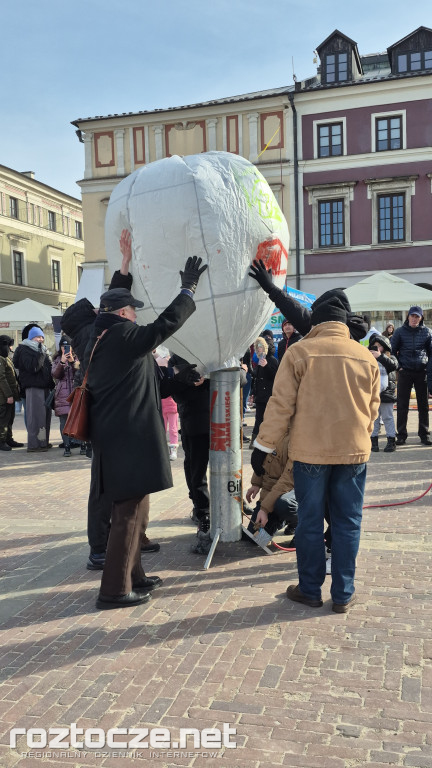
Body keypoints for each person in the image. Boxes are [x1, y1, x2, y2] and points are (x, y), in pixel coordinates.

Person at [85, 255, 207, 609]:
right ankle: (114, 590)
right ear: (123, 314)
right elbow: (164, 325)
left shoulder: (101, 333)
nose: (136, 315)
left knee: (134, 512)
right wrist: (188, 289)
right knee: (127, 514)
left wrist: (123, 268)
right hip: (129, 440)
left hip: (118, 439)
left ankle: (134, 576)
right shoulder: (123, 335)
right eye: (132, 311)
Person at [251, 289, 380, 612]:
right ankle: (343, 593)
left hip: (309, 453)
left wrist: (263, 447)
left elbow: (280, 407)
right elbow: (372, 410)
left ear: (318, 320)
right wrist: (359, 439)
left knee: (309, 522)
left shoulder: (300, 353)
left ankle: (310, 588)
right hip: (353, 453)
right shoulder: (365, 356)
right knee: (347, 522)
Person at [61, 229, 160, 567]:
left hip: (107, 424)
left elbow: (115, 303)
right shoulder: (96, 338)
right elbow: (114, 309)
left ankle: (123, 539)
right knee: (106, 490)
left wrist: (125, 263)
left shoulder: (88, 336)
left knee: (114, 487)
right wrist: (124, 264)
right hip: (110, 424)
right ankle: (102, 548)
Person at [248, 259, 368, 342]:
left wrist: (271, 288)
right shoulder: (362, 353)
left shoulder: (317, 336)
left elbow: (297, 313)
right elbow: (298, 313)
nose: (313, 319)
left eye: (316, 314)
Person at [245, 431, 298, 550]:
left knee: (285, 505)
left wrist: (264, 508)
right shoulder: (272, 428)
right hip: (270, 496)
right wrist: (256, 484)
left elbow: (287, 481)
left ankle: (303, 524)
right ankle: (283, 519)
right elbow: (262, 461)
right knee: (255, 539)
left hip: (290, 493)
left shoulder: (296, 436)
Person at [391, 306, 432, 446]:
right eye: (412, 316)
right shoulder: (399, 332)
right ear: (408, 317)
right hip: (405, 372)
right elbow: (392, 351)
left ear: (421, 318)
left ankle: (424, 434)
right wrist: (399, 367)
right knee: (402, 405)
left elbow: (431, 353)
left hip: (422, 372)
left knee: (424, 405)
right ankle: (401, 435)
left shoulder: (427, 332)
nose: (414, 319)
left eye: (417, 317)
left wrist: (428, 367)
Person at [13, 327, 53, 452]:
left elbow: (47, 369)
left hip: (44, 387)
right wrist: (41, 353)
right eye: (38, 337)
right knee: (35, 417)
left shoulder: (42, 350)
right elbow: (33, 367)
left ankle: (43, 442)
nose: (41, 339)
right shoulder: (25, 350)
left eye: (42, 337)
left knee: (45, 417)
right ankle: (34, 445)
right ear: (31, 338)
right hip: (34, 387)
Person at [369, 333, 398, 453]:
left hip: (387, 392)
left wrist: (380, 356)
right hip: (372, 392)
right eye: (375, 346)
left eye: (380, 345)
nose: (377, 348)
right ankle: (373, 441)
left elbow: (394, 366)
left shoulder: (390, 357)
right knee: (374, 418)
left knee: (388, 417)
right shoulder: (368, 356)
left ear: (385, 347)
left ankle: (391, 440)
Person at [52, 336, 80, 457]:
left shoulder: (77, 356)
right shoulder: (57, 358)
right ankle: (67, 446)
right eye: (63, 346)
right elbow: (55, 375)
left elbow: (80, 373)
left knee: (78, 419)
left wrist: (73, 361)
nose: (65, 349)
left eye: (67, 346)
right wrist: (62, 362)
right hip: (62, 394)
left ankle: (81, 444)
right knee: (64, 421)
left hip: (75, 392)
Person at [250, 334, 278, 445]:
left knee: (269, 420)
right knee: (258, 420)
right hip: (260, 396)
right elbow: (256, 379)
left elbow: (275, 377)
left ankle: (269, 441)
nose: (259, 348)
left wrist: (266, 366)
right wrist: (253, 393)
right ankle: (255, 441)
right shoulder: (259, 360)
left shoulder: (272, 360)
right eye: (257, 346)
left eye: (261, 346)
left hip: (269, 396)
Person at [0, 335, 23, 451]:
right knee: (3, 419)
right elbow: (1, 378)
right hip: (3, 397)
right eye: (9, 345)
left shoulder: (6, 358)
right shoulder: (0, 359)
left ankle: (8, 439)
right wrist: (9, 395)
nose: (10, 348)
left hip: (10, 396)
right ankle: (2, 441)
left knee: (10, 418)